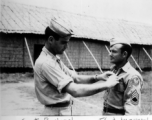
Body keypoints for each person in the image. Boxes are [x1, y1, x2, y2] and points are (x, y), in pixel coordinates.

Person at [34, 18, 119, 116]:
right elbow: (75, 90)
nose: (66, 46)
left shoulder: (53, 58)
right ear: (51, 40)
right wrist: (107, 85)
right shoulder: (46, 63)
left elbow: (76, 78)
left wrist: (98, 77)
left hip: (60, 111)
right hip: (56, 113)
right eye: (63, 42)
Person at [102, 38, 143, 115]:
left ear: (124, 54)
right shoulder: (113, 70)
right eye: (110, 51)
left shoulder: (132, 76)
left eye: (114, 52)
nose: (110, 54)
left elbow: (133, 107)